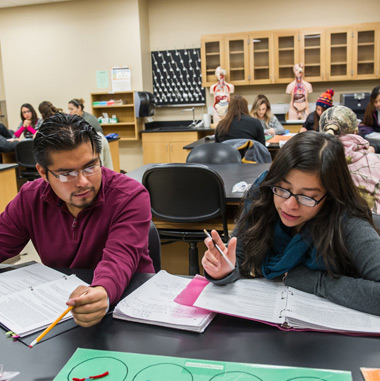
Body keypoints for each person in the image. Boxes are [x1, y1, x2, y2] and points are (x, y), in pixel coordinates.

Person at [202, 131, 380, 316]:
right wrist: (225, 270)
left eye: (307, 197)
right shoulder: (263, 194)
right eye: (283, 188)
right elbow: (239, 257)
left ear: (330, 196)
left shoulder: (348, 221)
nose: (289, 205)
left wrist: (313, 281)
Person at [0, 113, 154, 327]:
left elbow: (119, 258)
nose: (83, 182)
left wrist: (102, 291)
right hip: (61, 312)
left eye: (91, 166)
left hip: (128, 309)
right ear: (43, 172)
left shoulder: (129, 195)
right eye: (66, 174)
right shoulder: (31, 198)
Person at [319, 105, 380, 214]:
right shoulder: (375, 161)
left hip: (329, 226)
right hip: (373, 226)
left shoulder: (315, 161)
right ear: (355, 131)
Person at [67, 99, 112, 169]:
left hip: (96, 142)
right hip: (88, 145)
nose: (70, 112)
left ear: (79, 108)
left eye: (72, 109)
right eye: (69, 109)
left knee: (99, 167)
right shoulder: (76, 119)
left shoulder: (89, 119)